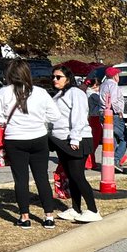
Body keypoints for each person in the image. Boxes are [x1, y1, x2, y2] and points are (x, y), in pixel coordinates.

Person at [0, 60, 58, 229]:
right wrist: (40, 119)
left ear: (9, 74)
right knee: (42, 178)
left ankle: (24, 216)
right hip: (38, 137)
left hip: (15, 139)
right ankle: (49, 216)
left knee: (21, 179)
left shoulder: (4, 92)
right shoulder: (41, 92)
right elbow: (54, 115)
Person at [49, 65, 101, 222]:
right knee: (70, 176)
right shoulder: (58, 95)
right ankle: (76, 208)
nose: (55, 80)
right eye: (53, 77)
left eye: (58, 77)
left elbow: (79, 116)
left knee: (78, 175)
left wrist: (75, 138)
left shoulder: (76, 93)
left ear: (68, 78)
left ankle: (93, 210)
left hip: (76, 139)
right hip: (61, 139)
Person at [99, 65, 127, 166]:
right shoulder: (113, 85)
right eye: (118, 74)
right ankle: (115, 160)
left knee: (112, 139)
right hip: (113, 114)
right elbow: (113, 100)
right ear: (115, 76)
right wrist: (119, 111)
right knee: (125, 138)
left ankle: (109, 160)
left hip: (103, 113)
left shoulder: (103, 85)